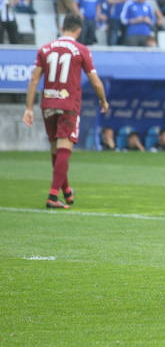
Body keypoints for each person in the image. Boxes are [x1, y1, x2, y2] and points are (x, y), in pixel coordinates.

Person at [22, 14, 109, 209]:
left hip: (48, 103)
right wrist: (103, 100)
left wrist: (28, 108)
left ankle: (67, 190)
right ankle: (53, 196)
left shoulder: (44, 49)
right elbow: (95, 80)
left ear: (62, 27)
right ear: (78, 30)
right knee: (64, 149)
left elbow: (34, 79)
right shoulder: (81, 50)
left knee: (56, 149)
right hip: (68, 103)